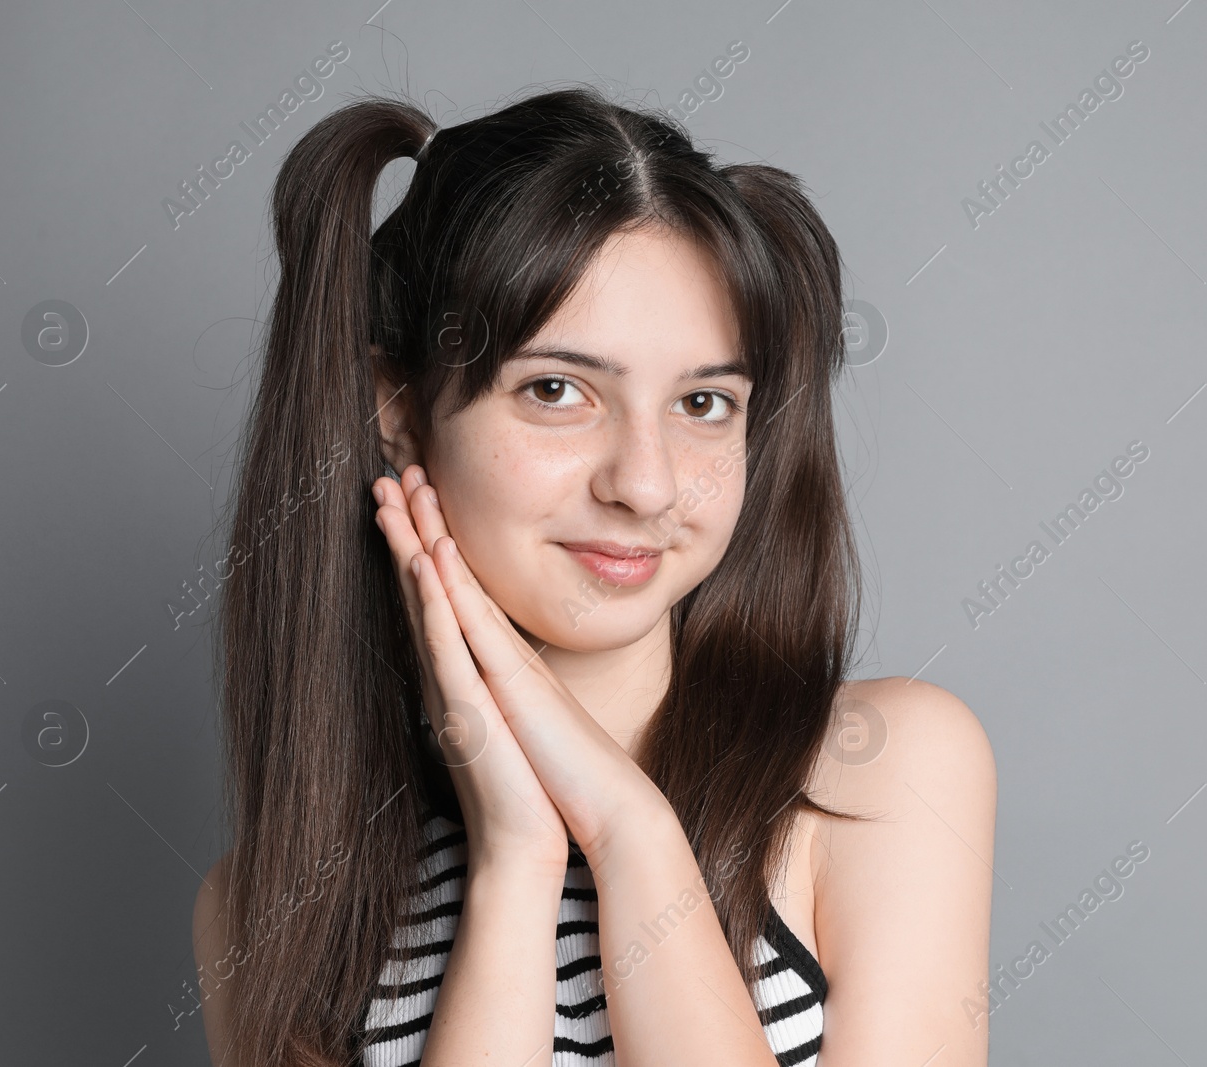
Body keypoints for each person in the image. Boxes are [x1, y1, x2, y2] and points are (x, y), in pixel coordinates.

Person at [190, 85, 996, 1067]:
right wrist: (515, 861)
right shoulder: (272, 904)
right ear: (394, 406)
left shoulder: (879, 771)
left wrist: (628, 829)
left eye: (703, 401)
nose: (645, 483)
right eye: (558, 390)